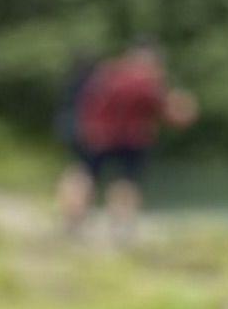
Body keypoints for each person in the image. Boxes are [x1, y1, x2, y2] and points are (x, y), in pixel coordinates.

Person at [55, 42, 196, 233]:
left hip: (93, 134)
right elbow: (173, 114)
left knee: (83, 175)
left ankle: (72, 222)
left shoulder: (107, 72)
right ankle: (121, 228)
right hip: (130, 140)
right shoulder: (147, 81)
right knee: (126, 183)